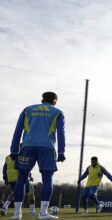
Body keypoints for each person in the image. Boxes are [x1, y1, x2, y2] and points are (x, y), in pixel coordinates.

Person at [10, 92, 65, 220]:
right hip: (47, 148)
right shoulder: (57, 112)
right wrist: (61, 152)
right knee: (47, 179)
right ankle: (43, 213)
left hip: (27, 147)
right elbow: (61, 133)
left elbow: (17, 130)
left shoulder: (27, 109)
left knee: (21, 179)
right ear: (55, 101)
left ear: (42, 99)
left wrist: (13, 150)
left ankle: (17, 214)